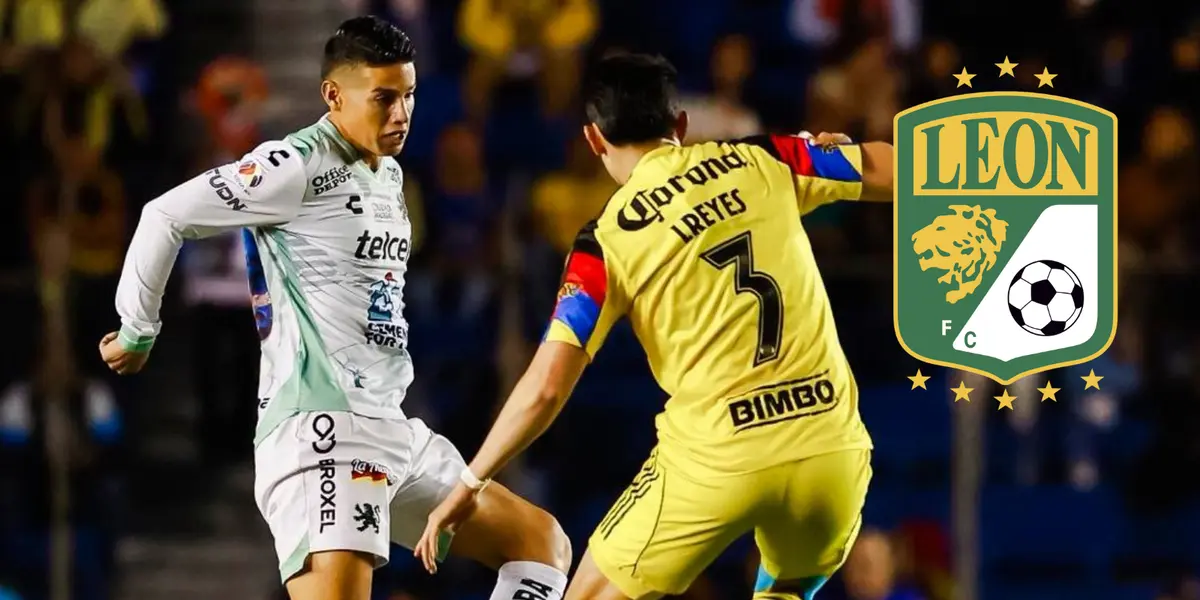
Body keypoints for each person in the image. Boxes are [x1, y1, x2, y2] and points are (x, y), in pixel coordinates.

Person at [98, 16, 570, 600]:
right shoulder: (293, 165)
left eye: (410, 96)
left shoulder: (389, 175)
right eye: (384, 98)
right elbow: (164, 216)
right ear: (333, 95)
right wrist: (137, 330)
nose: (402, 115)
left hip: (391, 427)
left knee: (540, 543)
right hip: (323, 434)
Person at [416, 52, 895, 600]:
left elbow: (546, 387)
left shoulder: (606, 241)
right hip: (831, 455)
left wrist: (472, 480)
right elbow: (902, 168)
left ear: (594, 139)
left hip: (715, 461)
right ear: (681, 125)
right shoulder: (767, 158)